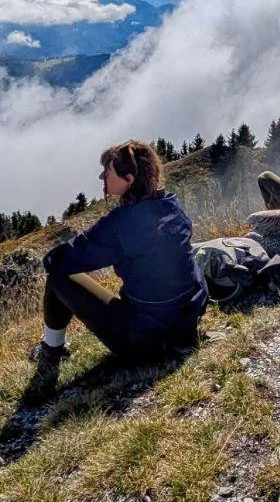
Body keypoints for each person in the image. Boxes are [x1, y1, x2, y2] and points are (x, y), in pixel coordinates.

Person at [30, 140, 208, 369]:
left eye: (108, 172)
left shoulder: (121, 225)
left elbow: (64, 260)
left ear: (129, 180)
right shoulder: (171, 205)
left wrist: (51, 257)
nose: (102, 177)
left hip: (146, 341)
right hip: (187, 322)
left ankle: (51, 351)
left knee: (58, 275)